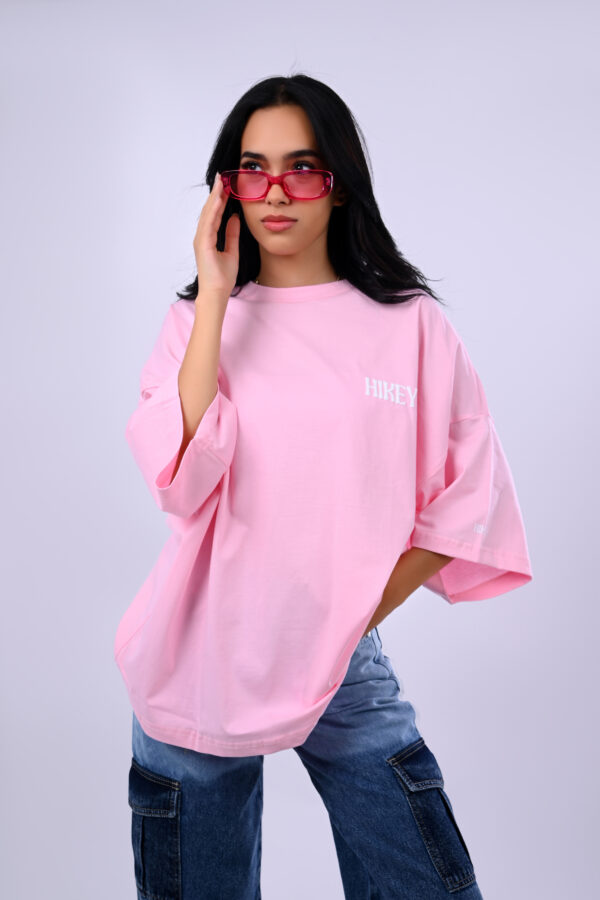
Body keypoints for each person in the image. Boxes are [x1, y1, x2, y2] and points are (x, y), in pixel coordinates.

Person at [117, 73, 532, 899]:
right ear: (226, 188)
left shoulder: (410, 324)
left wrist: (352, 617)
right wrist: (215, 295)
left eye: (302, 168)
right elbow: (181, 478)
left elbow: (467, 496)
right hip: (196, 652)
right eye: (253, 169)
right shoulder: (195, 324)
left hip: (342, 655)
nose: (276, 192)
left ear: (339, 186)